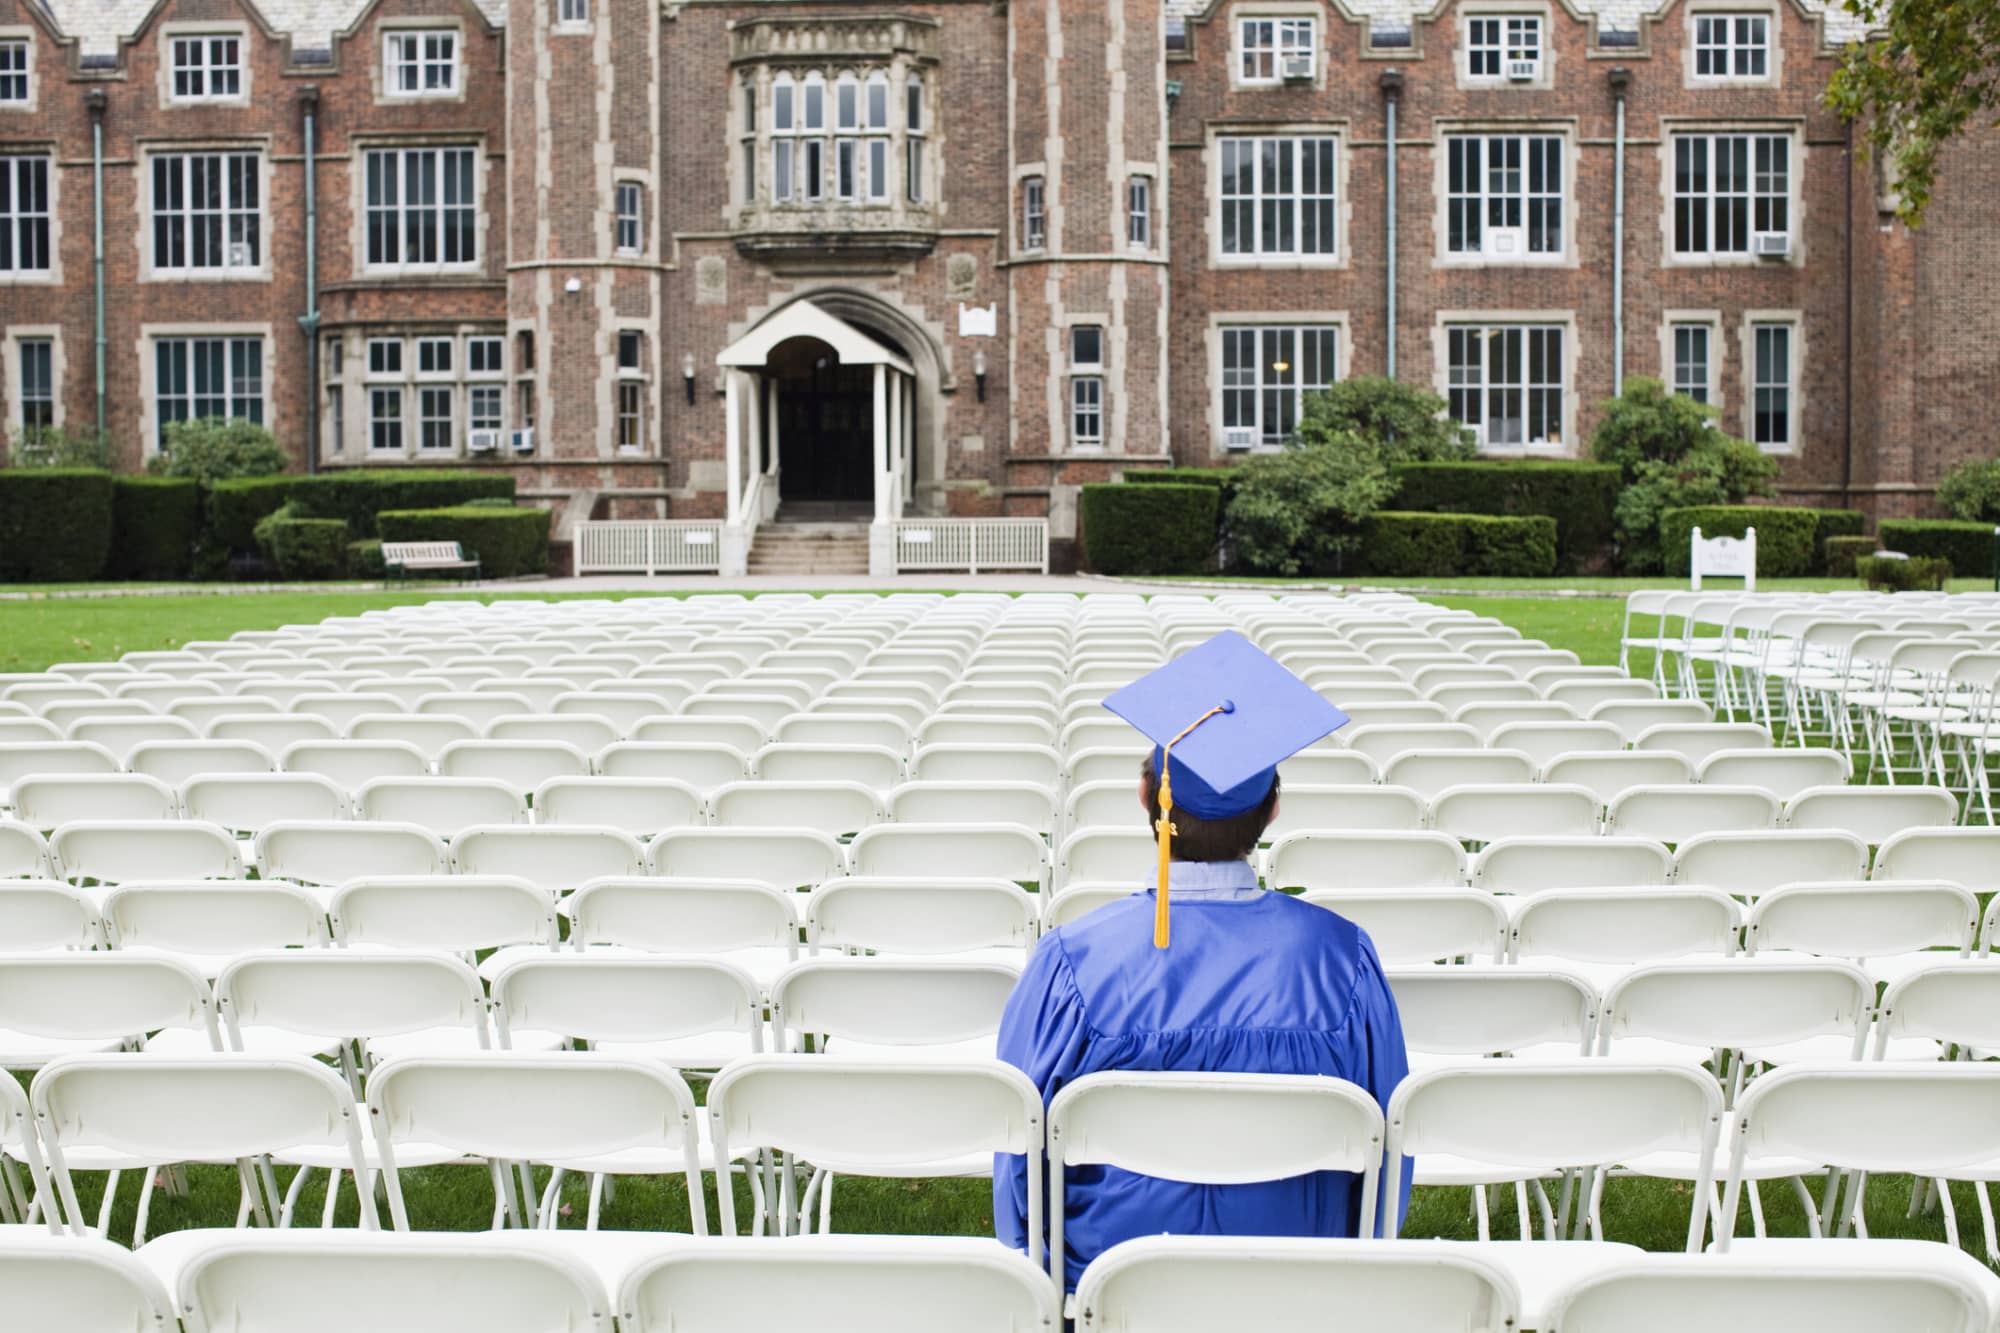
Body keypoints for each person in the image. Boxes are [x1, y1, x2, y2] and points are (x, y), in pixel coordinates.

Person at [993, 630, 1410, 1291]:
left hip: (1114, 1287)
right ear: (1273, 810)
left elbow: (1019, 1158)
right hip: (1297, 1288)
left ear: (1145, 800)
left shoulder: (1073, 960)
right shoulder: (1344, 963)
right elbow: (1390, 1158)